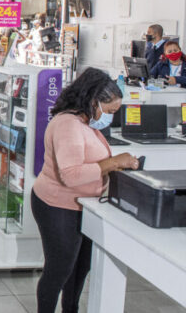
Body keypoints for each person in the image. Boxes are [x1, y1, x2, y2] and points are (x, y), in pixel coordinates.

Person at [31, 68, 140, 313]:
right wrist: (113, 163)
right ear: (94, 101)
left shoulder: (86, 121)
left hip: (84, 206)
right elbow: (71, 175)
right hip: (58, 206)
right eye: (110, 111)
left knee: (80, 268)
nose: (110, 118)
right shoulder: (68, 124)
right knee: (59, 269)